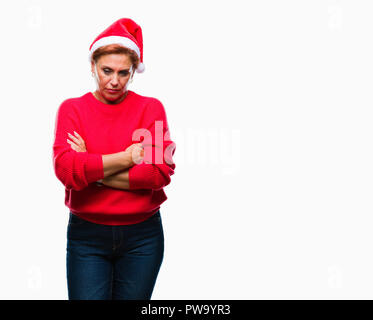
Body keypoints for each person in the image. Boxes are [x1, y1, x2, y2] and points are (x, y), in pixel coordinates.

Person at [52, 18, 176, 300]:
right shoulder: (73, 109)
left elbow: (158, 175)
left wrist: (92, 170)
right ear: (93, 66)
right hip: (87, 236)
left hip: (143, 237)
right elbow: (67, 171)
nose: (114, 80)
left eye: (123, 72)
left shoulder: (151, 108)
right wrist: (127, 157)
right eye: (107, 70)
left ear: (133, 72)